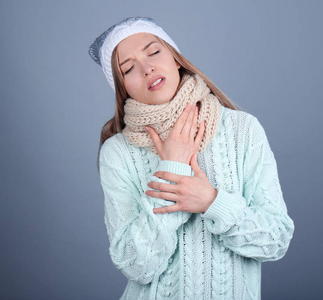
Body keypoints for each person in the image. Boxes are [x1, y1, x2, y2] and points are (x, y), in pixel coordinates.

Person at [89, 17, 294, 300]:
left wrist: (212, 202)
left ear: (175, 59)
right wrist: (172, 168)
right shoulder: (118, 152)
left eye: (153, 52)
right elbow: (136, 265)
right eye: (128, 68)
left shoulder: (242, 129)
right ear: (122, 87)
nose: (147, 68)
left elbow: (276, 241)